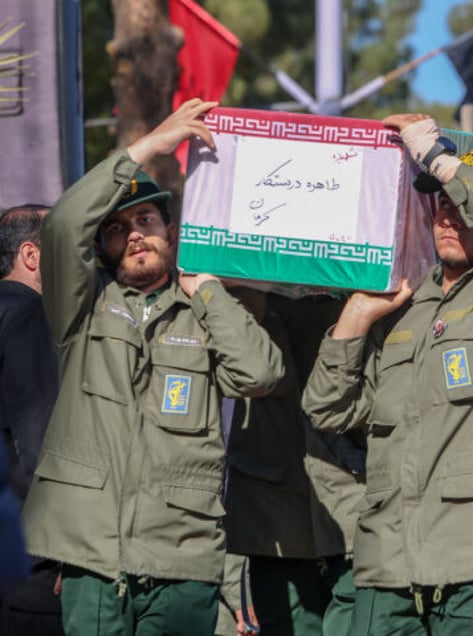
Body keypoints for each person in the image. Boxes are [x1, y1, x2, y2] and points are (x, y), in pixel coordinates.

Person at [21, 99, 285, 635]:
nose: (135, 233)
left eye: (146, 220)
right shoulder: (83, 310)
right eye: (118, 228)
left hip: (183, 561)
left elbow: (260, 373)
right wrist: (151, 144)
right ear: (105, 247)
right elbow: (65, 223)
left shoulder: (206, 312)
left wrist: (207, 289)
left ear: (171, 230)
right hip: (93, 558)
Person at [302, 112, 473, 635]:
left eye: (461, 206)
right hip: (388, 559)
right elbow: (329, 409)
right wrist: (354, 319)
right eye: (440, 205)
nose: (447, 216)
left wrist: (437, 157)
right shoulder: (400, 308)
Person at [224, 288, 365, 636]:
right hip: (270, 529)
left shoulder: (363, 301)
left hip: (354, 519)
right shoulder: (233, 300)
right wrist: (231, 576)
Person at [0, 205, 63, 633]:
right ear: (32, 254)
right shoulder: (28, 316)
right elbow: (37, 434)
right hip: (27, 553)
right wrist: (61, 547)